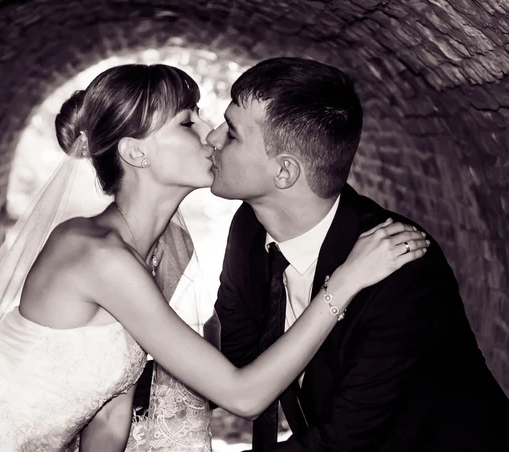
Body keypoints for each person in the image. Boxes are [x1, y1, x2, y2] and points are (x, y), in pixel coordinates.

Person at [0, 64, 427, 452]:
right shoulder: (96, 254)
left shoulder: (156, 251)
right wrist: (345, 283)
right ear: (136, 153)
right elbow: (243, 395)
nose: (210, 134)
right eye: (187, 122)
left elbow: (110, 414)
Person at [210, 57, 509, 452]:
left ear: (284, 172)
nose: (213, 138)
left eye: (231, 133)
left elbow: (345, 443)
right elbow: (239, 363)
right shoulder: (248, 228)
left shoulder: (404, 270)